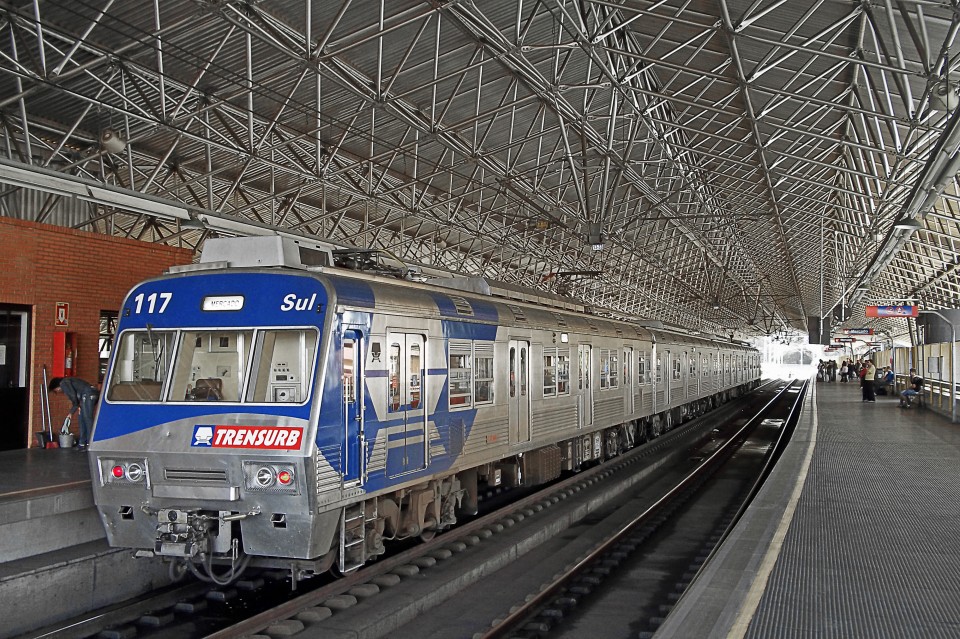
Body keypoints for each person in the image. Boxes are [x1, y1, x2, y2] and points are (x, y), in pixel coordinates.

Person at [49, 376, 99, 448]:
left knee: (87, 418)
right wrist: (78, 406)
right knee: (82, 418)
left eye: (56, 390)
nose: (58, 391)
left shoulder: (63, 383)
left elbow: (73, 396)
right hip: (89, 394)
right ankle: (82, 443)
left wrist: (71, 412)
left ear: (57, 387)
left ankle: (90, 443)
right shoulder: (68, 380)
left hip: (87, 394)